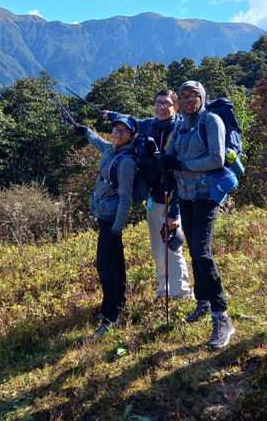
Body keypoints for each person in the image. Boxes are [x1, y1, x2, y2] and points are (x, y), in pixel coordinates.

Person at [158, 81, 235, 350]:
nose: (190, 99)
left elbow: (217, 159)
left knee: (202, 253)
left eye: (194, 95)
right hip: (185, 193)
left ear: (202, 97)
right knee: (193, 249)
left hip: (205, 193)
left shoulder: (211, 121)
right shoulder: (181, 125)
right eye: (185, 96)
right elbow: (170, 155)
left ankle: (221, 316)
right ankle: (203, 302)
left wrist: (181, 164)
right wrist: (165, 160)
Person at [102, 90, 193, 301]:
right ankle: (164, 289)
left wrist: (174, 211)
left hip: (172, 197)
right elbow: (130, 121)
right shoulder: (149, 125)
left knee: (172, 247)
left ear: (175, 108)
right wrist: (110, 115)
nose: (161, 107)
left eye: (166, 104)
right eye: (158, 103)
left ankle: (181, 293)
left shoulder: (179, 130)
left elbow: (181, 175)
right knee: (157, 248)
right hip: (153, 197)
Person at [72, 115, 140, 339]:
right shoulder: (111, 149)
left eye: (124, 131)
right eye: (116, 129)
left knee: (105, 265)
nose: (118, 134)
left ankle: (110, 316)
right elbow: (98, 142)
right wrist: (86, 130)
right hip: (104, 215)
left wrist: (116, 231)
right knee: (115, 261)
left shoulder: (127, 162)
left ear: (132, 136)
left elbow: (126, 199)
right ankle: (119, 303)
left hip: (112, 218)